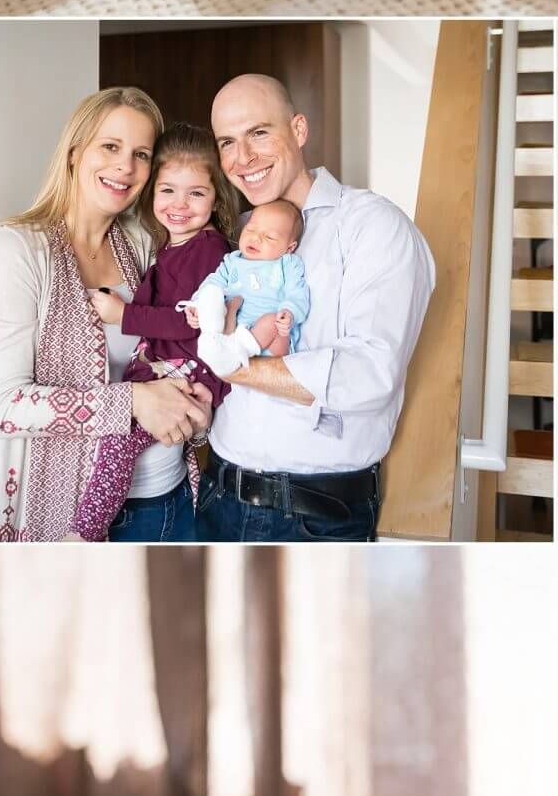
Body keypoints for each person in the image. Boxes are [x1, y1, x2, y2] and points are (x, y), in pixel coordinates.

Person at [195, 73, 434, 542]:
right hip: (215, 495)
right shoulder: (237, 236)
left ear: (299, 130)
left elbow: (370, 373)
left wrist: (229, 363)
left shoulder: (372, 225)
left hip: (311, 516)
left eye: (259, 133)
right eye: (227, 142)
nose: (243, 159)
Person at [0, 89, 211, 543]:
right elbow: (1, 407)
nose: (125, 167)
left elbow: (176, 348)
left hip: (173, 499)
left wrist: (195, 409)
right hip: (69, 518)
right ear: (75, 151)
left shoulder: (143, 244)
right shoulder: (18, 251)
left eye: (141, 154)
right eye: (111, 147)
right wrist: (134, 400)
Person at [68, 123, 236, 544]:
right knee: (119, 441)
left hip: (186, 376)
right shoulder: (166, 245)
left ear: (216, 198)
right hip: (168, 373)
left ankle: (84, 534)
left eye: (196, 193)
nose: (180, 204)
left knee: (119, 445)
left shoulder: (208, 250)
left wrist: (122, 313)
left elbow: (186, 322)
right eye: (168, 190)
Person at [186, 198, 311, 374]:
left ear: (289, 248)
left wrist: (289, 312)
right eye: (251, 229)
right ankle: (227, 348)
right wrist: (198, 305)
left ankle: (235, 353)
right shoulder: (233, 261)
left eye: (269, 237)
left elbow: (298, 293)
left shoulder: (287, 264)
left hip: (271, 344)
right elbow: (213, 282)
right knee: (215, 297)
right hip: (232, 332)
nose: (255, 238)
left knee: (271, 321)